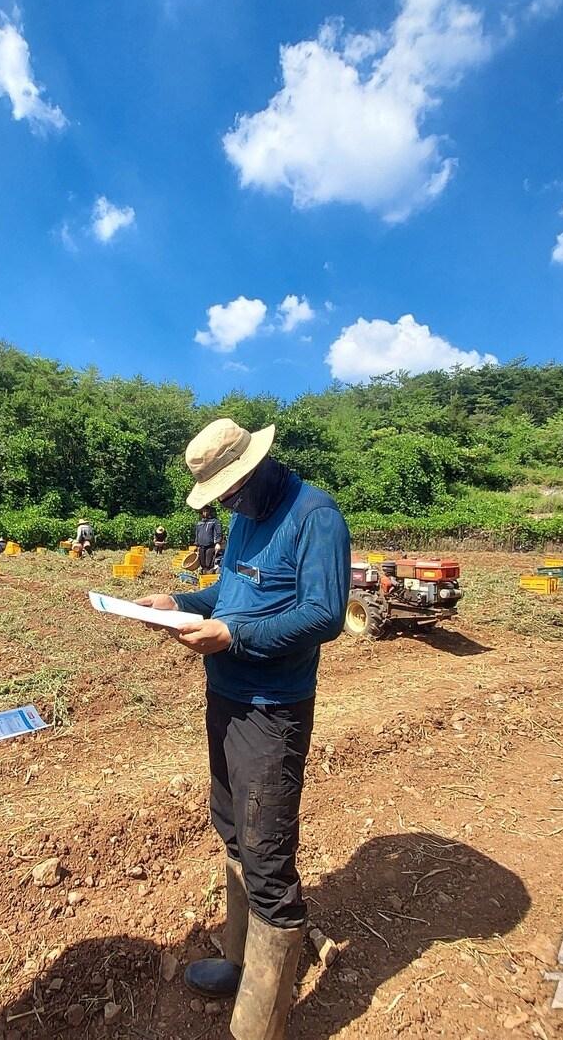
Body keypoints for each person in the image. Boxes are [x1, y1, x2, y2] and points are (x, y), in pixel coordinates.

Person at [135, 417, 349, 1040]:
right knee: (231, 826)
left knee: (266, 851)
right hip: (225, 696)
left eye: (230, 491)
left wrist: (233, 634)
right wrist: (179, 603)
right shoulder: (245, 516)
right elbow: (229, 595)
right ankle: (238, 961)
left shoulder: (315, 517)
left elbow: (324, 615)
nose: (226, 504)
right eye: (219, 496)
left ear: (257, 468)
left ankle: (261, 1021)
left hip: (271, 709)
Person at [194, 505, 223, 573]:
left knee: (209, 563)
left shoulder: (215, 521)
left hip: (210, 546)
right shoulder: (199, 523)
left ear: (210, 512)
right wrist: (196, 544)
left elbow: (218, 533)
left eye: (206, 511)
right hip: (201, 546)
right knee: (202, 563)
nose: (205, 513)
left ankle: (210, 572)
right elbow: (197, 534)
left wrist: (218, 543)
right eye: (203, 511)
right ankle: (204, 572)